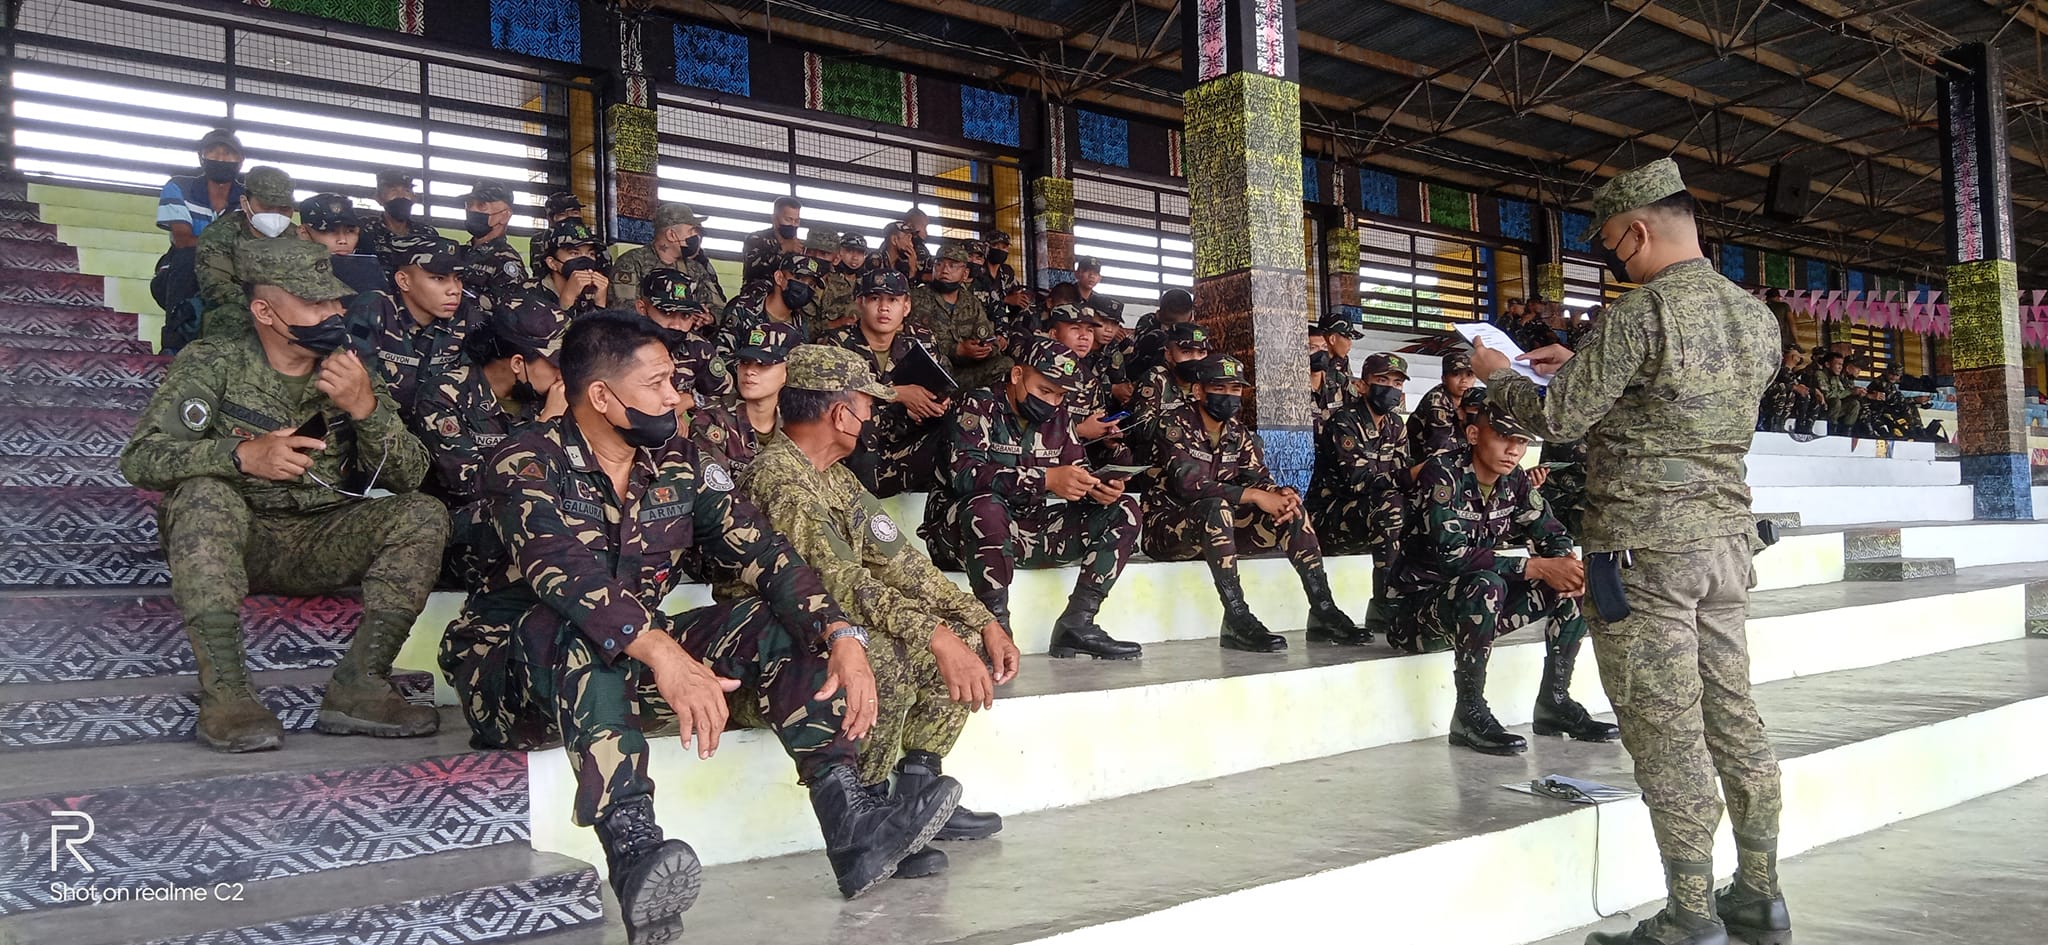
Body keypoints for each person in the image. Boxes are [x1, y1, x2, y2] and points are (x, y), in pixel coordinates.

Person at [457, 313, 961, 936]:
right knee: (585, 627)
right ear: (602, 396)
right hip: (516, 681)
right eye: (660, 382)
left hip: (628, 675)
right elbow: (563, 573)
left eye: (675, 381)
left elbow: (766, 553)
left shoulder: (680, 461)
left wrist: (840, 633)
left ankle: (850, 818)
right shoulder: (524, 461)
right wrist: (666, 655)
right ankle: (634, 847)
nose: (677, 396)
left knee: (778, 617)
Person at [1472, 157, 1787, 945]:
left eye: (1615, 246)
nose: (1617, 259)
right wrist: (1573, 367)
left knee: (1667, 731)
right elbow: (1673, 398)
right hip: (1724, 546)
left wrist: (1498, 376)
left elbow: (1562, 421)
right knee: (1735, 720)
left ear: (1639, 230)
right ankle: (1759, 894)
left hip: (1645, 554)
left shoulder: (1643, 313)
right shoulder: (1757, 318)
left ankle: (1690, 915)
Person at [119, 239, 445, 752]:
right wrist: (239, 455)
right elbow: (141, 459)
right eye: (314, 303)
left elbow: (409, 475)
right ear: (264, 311)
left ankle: (359, 684)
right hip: (240, 539)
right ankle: (227, 694)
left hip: (324, 536)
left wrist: (368, 409)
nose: (333, 313)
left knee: (422, 515)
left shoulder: (351, 368)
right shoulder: (214, 361)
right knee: (204, 495)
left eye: (335, 301)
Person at [735, 344, 1017, 869]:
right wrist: (935, 634)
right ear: (840, 413)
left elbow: (903, 564)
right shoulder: (780, 477)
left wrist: (980, 621)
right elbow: (835, 586)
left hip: (827, 633)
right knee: (885, 652)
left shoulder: (837, 479)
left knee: (957, 637)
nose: (873, 417)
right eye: (868, 406)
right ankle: (867, 814)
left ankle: (915, 792)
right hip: (780, 658)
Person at [1389, 404, 1618, 754]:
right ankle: (1469, 712)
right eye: (1504, 437)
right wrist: (1538, 567)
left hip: (1476, 613)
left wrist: (1564, 563)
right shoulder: (1443, 473)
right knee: (1486, 584)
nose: (1514, 450)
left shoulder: (1515, 480)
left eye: (1522, 441)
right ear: (1474, 435)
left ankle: (1555, 703)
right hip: (1419, 616)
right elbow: (1452, 556)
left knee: (1572, 583)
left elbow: (1550, 530)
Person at [924, 337, 1144, 659]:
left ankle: (1077, 623)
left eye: (1060, 395)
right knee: (986, 507)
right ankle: (994, 628)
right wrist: (1046, 480)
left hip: (1027, 532)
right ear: (1016, 376)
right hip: (962, 536)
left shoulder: (1059, 418)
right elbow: (964, 474)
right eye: (1045, 390)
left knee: (1124, 509)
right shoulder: (977, 405)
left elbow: (1076, 471)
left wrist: (1096, 490)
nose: (1053, 402)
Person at [1143, 354, 1359, 652]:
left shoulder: (1238, 433)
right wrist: (1257, 496)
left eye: (1235, 390)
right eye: (1220, 388)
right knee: (1216, 507)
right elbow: (1189, 484)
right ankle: (1237, 618)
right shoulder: (1173, 425)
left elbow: (1258, 478)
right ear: (1199, 391)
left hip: (1222, 533)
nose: (1229, 396)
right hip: (1168, 531)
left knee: (1290, 509)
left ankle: (1324, 610)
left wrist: (1280, 493)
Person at [1307, 352, 1411, 643]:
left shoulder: (1395, 425)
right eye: (1382, 380)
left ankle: (1418, 595)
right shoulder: (1344, 421)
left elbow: (1402, 478)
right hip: (1329, 518)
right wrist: (1412, 476)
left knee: (1419, 507)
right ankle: (1385, 603)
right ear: (1362, 385)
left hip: (1369, 514)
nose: (1390, 388)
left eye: (1397, 383)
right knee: (1391, 506)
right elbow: (1358, 481)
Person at [822, 269, 952, 498]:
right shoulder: (837, 342)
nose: (884, 307)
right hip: (856, 445)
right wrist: (895, 394)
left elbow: (937, 385)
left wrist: (933, 405)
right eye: (875, 299)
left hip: (906, 436)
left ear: (906, 306)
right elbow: (832, 403)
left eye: (893, 299)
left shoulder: (921, 339)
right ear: (859, 302)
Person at [154, 128, 245, 353]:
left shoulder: (248, 198)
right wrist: (228, 246)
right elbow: (183, 240)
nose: (221, 158)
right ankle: (173, 344)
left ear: (240, 161)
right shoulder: (179, 187)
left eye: (228, 153)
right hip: (179, 275)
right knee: (187, 256)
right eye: (213, 152)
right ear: (201, 157)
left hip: (232, 274)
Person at [354, 246, 471, 417]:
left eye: (458, 278)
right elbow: (354, 384)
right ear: (404, 281)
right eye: (439, 278)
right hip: (378, 426)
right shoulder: (372, 310)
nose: (454, 290)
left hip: (438, 430)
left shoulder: (466, 317)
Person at [194, 165, 298, 341]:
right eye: (266, 207)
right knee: (231, 316)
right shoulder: (220, 234)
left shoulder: (298, 238)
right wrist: (266, 308)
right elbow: (216, 286)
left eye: (284, 209)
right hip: (240, 309)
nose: (276, 214)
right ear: (244, 203)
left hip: (290, 312)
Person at [691, 321, 796, 476]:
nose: (749, 371)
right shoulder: (711, 419)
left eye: (763, 364)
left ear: (788, 371)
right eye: (745, 362)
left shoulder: (798, 422)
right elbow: (716, 493)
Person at [910, 239, 1008, 391]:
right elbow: (911, 345)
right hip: (931, 373)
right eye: (939, 264)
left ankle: (971, 401)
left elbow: (988, 338)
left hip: (964, 372)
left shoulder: (972, 303)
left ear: (965, 273)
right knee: (941, 363)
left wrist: (984, 349)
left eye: (953, 265)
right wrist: (956, 350)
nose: (944, 270)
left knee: (1005, 363)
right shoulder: (915, 299)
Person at [635, 269, 732, 410]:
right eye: (666, 313)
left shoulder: (698, 347)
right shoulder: (619, 346)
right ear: (642, 308)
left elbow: (727, 398)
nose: (676, 325)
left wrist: (692, 400)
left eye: (685, 316)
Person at [613, 202, 724, 315]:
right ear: (671, 235)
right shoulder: (632, 262)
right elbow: (623, 311)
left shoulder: (695, 268)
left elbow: (718, 308)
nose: (696, 237)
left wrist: (709, 318)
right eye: (691, 232)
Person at [1126, 321, 1211, 465]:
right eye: (1186, 352)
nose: (1195, 359)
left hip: (1199, 461)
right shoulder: (1156, 378)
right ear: (1169, 355)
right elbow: (1143, 429)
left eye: (1201, 353)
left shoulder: (1208, 382)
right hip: (1158, 463)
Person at [456, 180, 528, 321]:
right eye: (469, 205)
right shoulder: (458, 252)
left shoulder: (507, 261)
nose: (472, 210)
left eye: (482, 205)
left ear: (505, 215)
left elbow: (507, 314)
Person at [723, 253, 824, 353]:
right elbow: (721, 357)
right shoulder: (743, 309)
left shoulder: (800, 323)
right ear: (779, 277)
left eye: (812, 285)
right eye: (798, 278)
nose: (805, 288)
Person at [360, 169, 446, 274]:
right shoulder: (364, 229)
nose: (401, 196)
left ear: (414, 198)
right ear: (378, 198)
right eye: (393, 190)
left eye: (407, 191)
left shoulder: (427, 233)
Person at [526, 221, 611, 320]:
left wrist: (600, 303)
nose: (585, 260)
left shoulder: (593, 292)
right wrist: (567, 300)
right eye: (574, 253)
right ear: (552, 263)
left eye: (591, 254)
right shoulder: (530, 293)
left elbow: (599, 334)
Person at [1408, 350, 1478, 461]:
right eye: (1456, 374)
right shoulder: (1437, 399)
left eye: (1469, 375)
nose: (1464, 380)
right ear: (1444, 378)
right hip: (1421, 462)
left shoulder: (1472, 397)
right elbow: (1441, 449)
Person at [1130, 287, 1196, 381]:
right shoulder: (1148, 323)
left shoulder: (1197, 333)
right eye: (1168, 324)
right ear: (1158, 314)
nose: (1172, 330)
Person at [802, 227, 857, 337]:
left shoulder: (843, 288)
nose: (815, 257)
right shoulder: (793, 281)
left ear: (836, 259)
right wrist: (833, 324)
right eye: (811, 251)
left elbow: (850, 322)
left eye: (823, 253)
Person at [1759, 344, 1825, 436]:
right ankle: (1775, 424)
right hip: (1770, 403)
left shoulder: (1791, 373)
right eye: (1798, 355)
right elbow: (1774, 386)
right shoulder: (1780, 370)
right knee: (1788, 392)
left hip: (1788, 405)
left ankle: (1804, 427)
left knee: (1810, 395)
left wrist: (1814, 391)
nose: (1800, 358)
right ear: (1793, 357)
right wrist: (1795, 388)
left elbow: (1799, 386)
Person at [743, 195, 805, 283]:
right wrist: (783, 249)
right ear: (774, 219)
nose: (793, 224)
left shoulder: (798, 246)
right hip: (758, 293)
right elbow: (754, 268)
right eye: (788, 219)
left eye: (797, 221)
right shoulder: (756, 239)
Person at [529, 191, 584, 275]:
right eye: (562, 214)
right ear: (549, 219)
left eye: (575, 213)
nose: (570, 217)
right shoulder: (540, 239)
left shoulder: (589, 238)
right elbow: (540, 272)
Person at [1073, 256, 1125, 328]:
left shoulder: (1100, 302)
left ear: (1099, 278)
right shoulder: (1065, 293)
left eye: (1096, 273)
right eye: (1087, 271)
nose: (1092, 275)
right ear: (1077, 273)